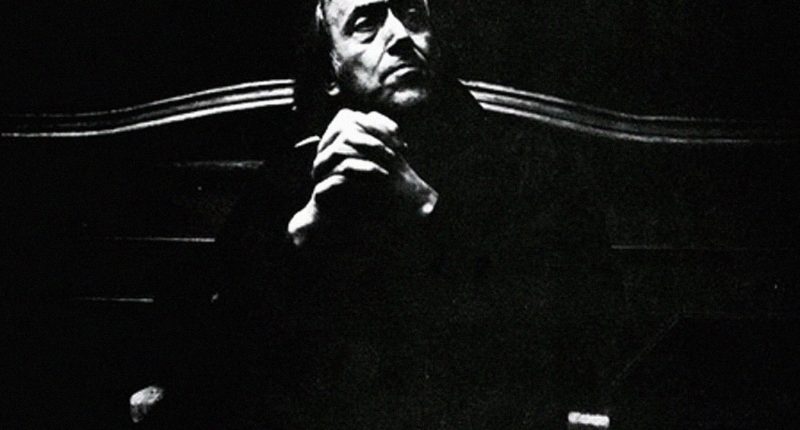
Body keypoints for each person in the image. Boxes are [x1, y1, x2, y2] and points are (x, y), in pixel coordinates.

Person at [136, 1, 618, 428]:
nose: (401, 35)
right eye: (367, 22)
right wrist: (301, 235)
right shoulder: (291, 177)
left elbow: (567, 349)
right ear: (330, 70)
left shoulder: (530, 164)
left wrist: (428, 210)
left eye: (412, 14)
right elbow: (205, 371)